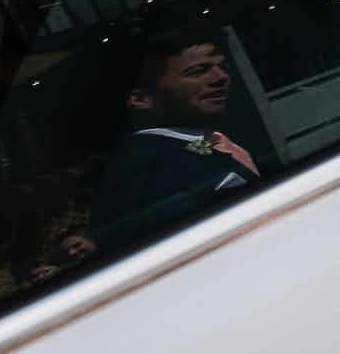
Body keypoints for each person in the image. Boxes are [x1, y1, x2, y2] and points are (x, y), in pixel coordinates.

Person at [89, 24, 260, 248]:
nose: (222, 77)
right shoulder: (147, 167)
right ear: (141, 100)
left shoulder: (189, 142)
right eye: (198, 72)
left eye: (222, 67)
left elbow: (197, 151)